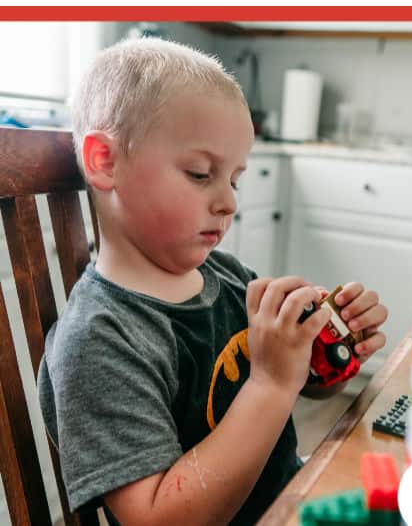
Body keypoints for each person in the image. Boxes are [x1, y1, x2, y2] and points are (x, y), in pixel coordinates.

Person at [38, 37, 388, 526]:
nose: (229, 202)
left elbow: (304, 386)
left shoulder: (227, 276)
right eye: (201, 174)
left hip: (292, 503)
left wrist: (329, 354)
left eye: (234, 179)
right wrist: (270, 381)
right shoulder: (99, 340)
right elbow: (157, 519)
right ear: (105, 161)